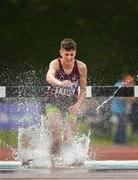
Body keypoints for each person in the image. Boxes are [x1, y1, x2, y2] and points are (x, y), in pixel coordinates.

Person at [45, 38, 87, 154]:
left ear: (75, 53)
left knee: (68, 138)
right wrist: (59, 83)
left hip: (71, 105)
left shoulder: (81, 67)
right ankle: (54, 161)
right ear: (61, 52)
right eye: (66, 54)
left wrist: (78, 104)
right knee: (57, 139)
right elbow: (49, 77)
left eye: (71, 55)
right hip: (53, 102)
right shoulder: (55, 63)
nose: (69, 58)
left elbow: (83, 90)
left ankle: (65, 160)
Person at [111, 74, 135, 144]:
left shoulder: (126, 86)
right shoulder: (118, 85)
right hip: (117, 109)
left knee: (123, 125)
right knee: (120, 125)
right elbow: (120, 97)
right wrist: (128, 98)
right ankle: (119, 141)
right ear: (125, 78)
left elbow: (132, 99)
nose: (130, 81)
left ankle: (121, 141)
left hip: (123, 109)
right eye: (129, 79)